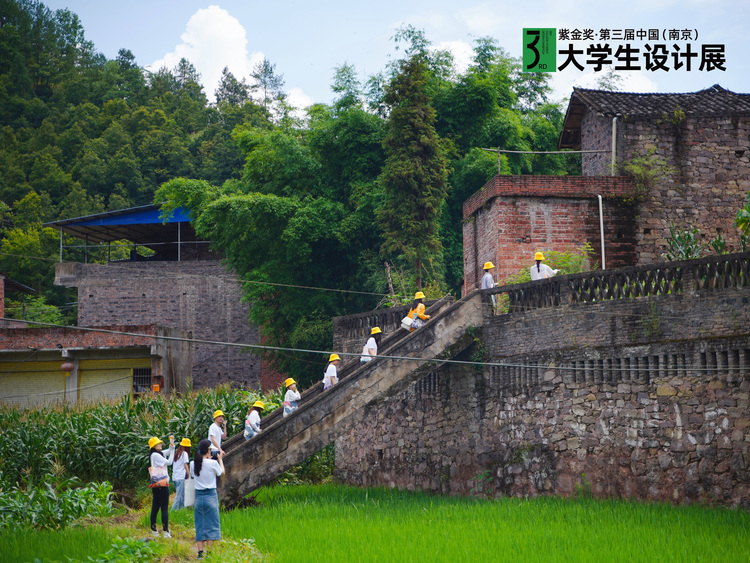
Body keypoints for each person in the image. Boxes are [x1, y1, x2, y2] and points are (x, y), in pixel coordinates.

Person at [191, 439, 224, 560]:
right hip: (211, 496)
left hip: (199, 497)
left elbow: (193, 475)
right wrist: (219, 460)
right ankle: (210, 553)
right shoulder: (213, 463)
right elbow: (221, 473)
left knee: (200, 524)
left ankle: (200, 553)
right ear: (209, 450)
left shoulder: (193, 463)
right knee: (212, 525)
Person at [148, 436, 175, 538]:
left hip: (157, 485)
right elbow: (169, 462)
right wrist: (172, 452)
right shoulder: (156, 455)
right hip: (162, 485)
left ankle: (154, 530)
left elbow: (168, 450)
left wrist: (171, 443)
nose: (160, 444)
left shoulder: (158, 454)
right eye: (158, 443)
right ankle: (165, 531)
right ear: (154, 446)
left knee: (155, 507)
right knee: (164, 508)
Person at [170, 438, 191, 511]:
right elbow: (185, 465)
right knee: (179, 496)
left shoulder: (177, 453)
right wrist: (189, 475)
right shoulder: (184, 453)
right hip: (181, 477)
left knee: (182, 495)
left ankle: (182, 510)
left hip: (175, 477)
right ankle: (172, 511)